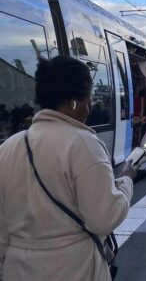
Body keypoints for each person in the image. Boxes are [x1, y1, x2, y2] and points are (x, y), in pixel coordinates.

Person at [0, 56, 136, 281]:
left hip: (18, 269)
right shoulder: (83, 144)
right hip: (72, 268)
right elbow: (104, 218)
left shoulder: (9, 147)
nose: (90, 105)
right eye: (89, 97)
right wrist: (126, 181)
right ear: (75, 101)